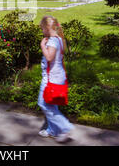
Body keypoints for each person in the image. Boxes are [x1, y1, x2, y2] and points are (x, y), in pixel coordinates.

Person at [37, 15, 74, 143]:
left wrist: (42, 46)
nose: (42, 31)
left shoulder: (52, 41)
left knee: (43, 103)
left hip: (51, 78)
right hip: (58, 76)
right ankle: (53, 130)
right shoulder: (59, 39)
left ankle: (65, 127)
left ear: (47, 28)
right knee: (52, 104)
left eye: (42, 28)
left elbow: (49, 57)